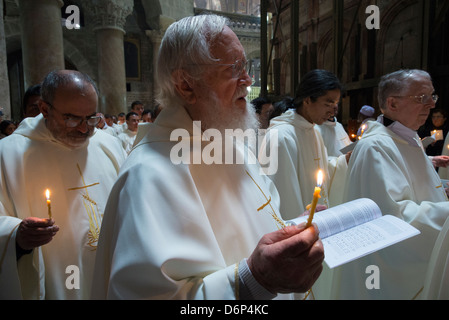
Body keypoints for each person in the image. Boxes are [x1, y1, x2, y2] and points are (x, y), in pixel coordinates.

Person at [91, 14, 324, 300]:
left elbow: (258, 220)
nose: (248, 79)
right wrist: (254, 280)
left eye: (247, 65)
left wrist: (292, 231)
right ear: (186, 84)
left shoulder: (232, 142)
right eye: (234, 68)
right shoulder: (148, 175)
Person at [315, 69, 449, 300]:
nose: (430, 105)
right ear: (392, 103)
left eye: (432, 96)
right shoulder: (376, 147)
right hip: (386, 275)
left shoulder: (408, 138)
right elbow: (394, 218)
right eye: (421, 98)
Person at [0, 70, 126, 299]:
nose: (84, 129)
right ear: (45, 109)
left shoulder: (108, 145)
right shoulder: (9, 155)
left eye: (91, 118)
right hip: (57, 280)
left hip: (111, 269)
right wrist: (16, 236)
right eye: (72, 118)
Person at [259, 69, 350, 221]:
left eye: (336, 104)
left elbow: (319, 171)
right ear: (307, 100)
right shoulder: (281, 137)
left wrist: (342, 162)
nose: (333, 111)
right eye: (328, 103)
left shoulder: (313, 131)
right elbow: (283, 198)